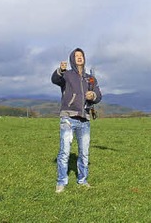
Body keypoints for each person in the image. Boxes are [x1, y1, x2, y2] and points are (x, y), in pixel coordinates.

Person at [51, 48, 102, 193]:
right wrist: (60, 70)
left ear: (84, 58)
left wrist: (93, 95)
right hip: (68, 117)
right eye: (76, 56)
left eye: (81, 55)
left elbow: (99, 95)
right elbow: (55, 79)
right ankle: (61, 182)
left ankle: (82, 180)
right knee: (65, 151)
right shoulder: (66, 75)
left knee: (84, 152)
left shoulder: (90, 78)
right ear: (72, 59)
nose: (79, 57)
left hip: (84, 119)